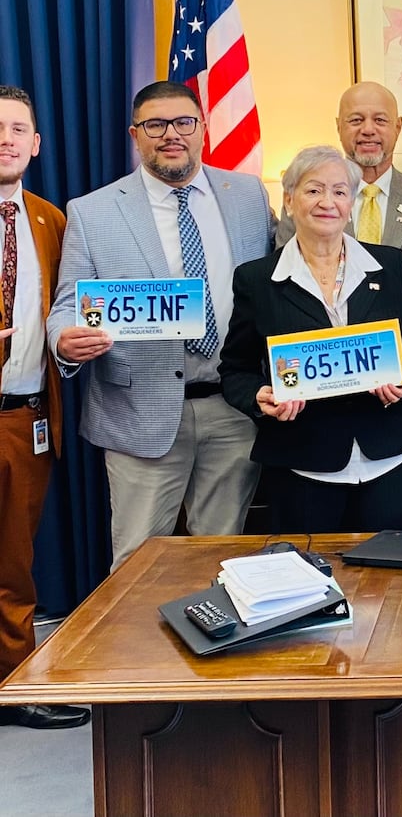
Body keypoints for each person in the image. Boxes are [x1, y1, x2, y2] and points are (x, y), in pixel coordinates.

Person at [47, 80, 276, 570]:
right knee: (137, 566)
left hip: (233, 409)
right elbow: (68, 306)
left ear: (203, 129)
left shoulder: (249, 196)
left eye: (183, 122)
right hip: (139, 412)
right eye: (155, 124)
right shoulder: (92, 211)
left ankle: (216, 645)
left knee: (226, 559)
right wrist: (65, 341)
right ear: (136, 134)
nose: (170, 134)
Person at [219, 145, 402, 532]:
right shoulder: (258, 279)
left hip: (387, 456)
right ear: (290, 200)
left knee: (389, 585)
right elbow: (236, 369)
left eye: (340, 191)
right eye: (313, 190)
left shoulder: (389, 265)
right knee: (311, 584)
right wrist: (260, 398)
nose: (327, 201)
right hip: (303, 461)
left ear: (351, 204)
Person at [0, 85, 88, 729]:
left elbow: (64, 314)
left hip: (25, 417)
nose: (5, 138)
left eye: (17, 128)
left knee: (13, 564)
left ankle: (11, 686)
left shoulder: (50, 220)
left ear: (36, 144)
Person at [276, 82, 402, 294]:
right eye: (356, 120)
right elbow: (283, 272)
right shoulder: (306, 201)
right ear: (338, 126)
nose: (368, 130)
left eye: (380, 120)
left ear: (398, 127)